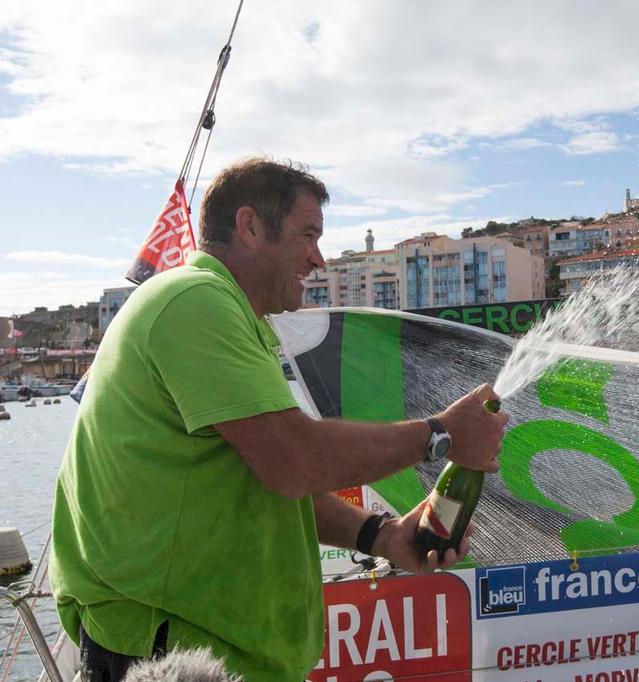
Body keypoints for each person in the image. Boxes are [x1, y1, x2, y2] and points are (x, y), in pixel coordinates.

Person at [50, 157, 507, 682]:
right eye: (307, 234)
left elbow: (266, 476)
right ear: (249, 227)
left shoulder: (233, 316)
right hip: (170, 651)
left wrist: (380, 536)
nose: (318, 258)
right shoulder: (195, 301)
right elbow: (296, 459)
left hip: (215, 649)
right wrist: (443, 434)